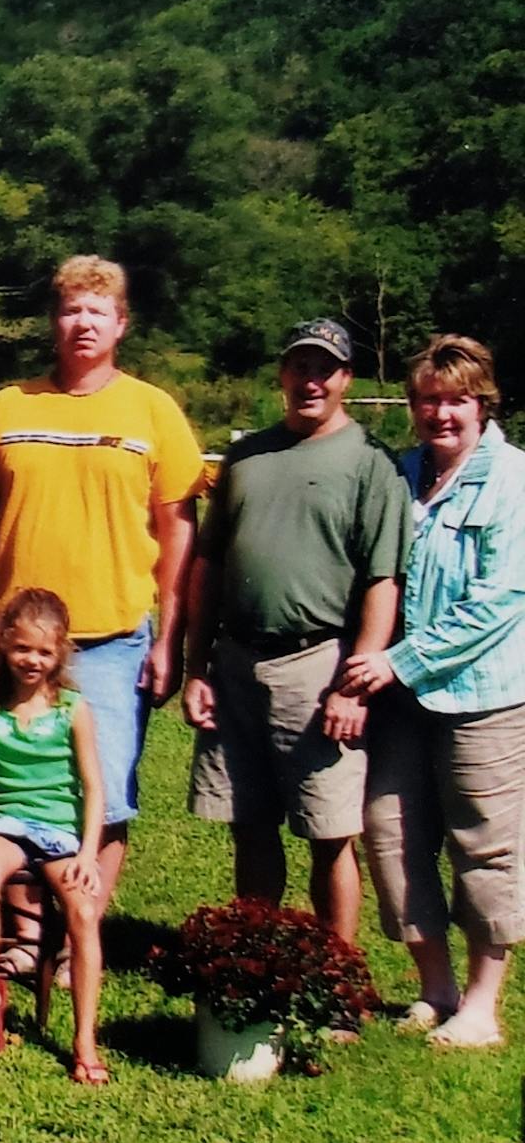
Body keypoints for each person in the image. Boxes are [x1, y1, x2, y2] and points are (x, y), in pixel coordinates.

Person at [0, 255, 203, 972]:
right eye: (71, 309)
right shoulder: (7, 406)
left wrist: (170, 639)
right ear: (55, 319)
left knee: (102, 792)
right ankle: (24, 934)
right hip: (13, 639)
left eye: (98, 312)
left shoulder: (152, 411)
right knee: (12, 784)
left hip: (111, 638)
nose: (83, 323)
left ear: (121, 324)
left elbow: (178, 531)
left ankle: (80, 937)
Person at [182, 318, 408, 941]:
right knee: (248, 824)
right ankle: (261, 965)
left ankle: (335, 977)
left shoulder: (370, 464)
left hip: (318, 664)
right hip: (235, 661)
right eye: (300, 367)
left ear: (346, 379)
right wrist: (194, 669)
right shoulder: (247, 454)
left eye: (325, 369)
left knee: (329, 832)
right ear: (283, 374)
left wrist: (353, 685)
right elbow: (209, 563)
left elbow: (382, 582)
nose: (311, 381)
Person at [340, 334, 525, 1050]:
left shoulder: (511, 479)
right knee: (391, 836)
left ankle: (482, 1003)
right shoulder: (402, 472)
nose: (440, 414)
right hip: (400, 703)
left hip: (482, 697)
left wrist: (400, 660)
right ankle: (433, 986)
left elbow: (499, 599)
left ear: (482, 404)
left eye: (456, 400)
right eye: (427, 400)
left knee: (485, 845)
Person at [0, 588, 107, 1085]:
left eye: (45, 652)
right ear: (5, 644)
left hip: (58, 829)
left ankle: (84, 1039)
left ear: (61, 652)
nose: (33, 660)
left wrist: (88, 854)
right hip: (6, 820)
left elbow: (94, 787)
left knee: (83, 911)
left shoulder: (72, 709)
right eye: (22, 648)